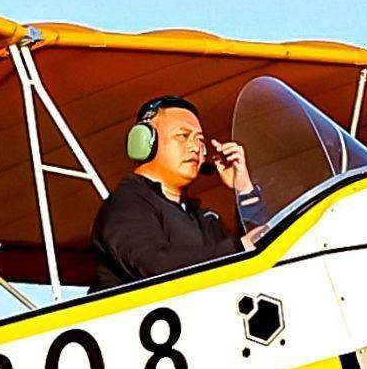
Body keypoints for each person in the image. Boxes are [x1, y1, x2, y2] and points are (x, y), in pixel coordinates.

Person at [89, 94, 260, 282]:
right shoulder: (126, 203)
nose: (195, 147)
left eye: (199, 140)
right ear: (145, 142)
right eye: (183, 136)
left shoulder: (204, 219)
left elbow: (256, 252)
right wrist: (236, 248)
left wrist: (244, 189)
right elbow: (154, 264)